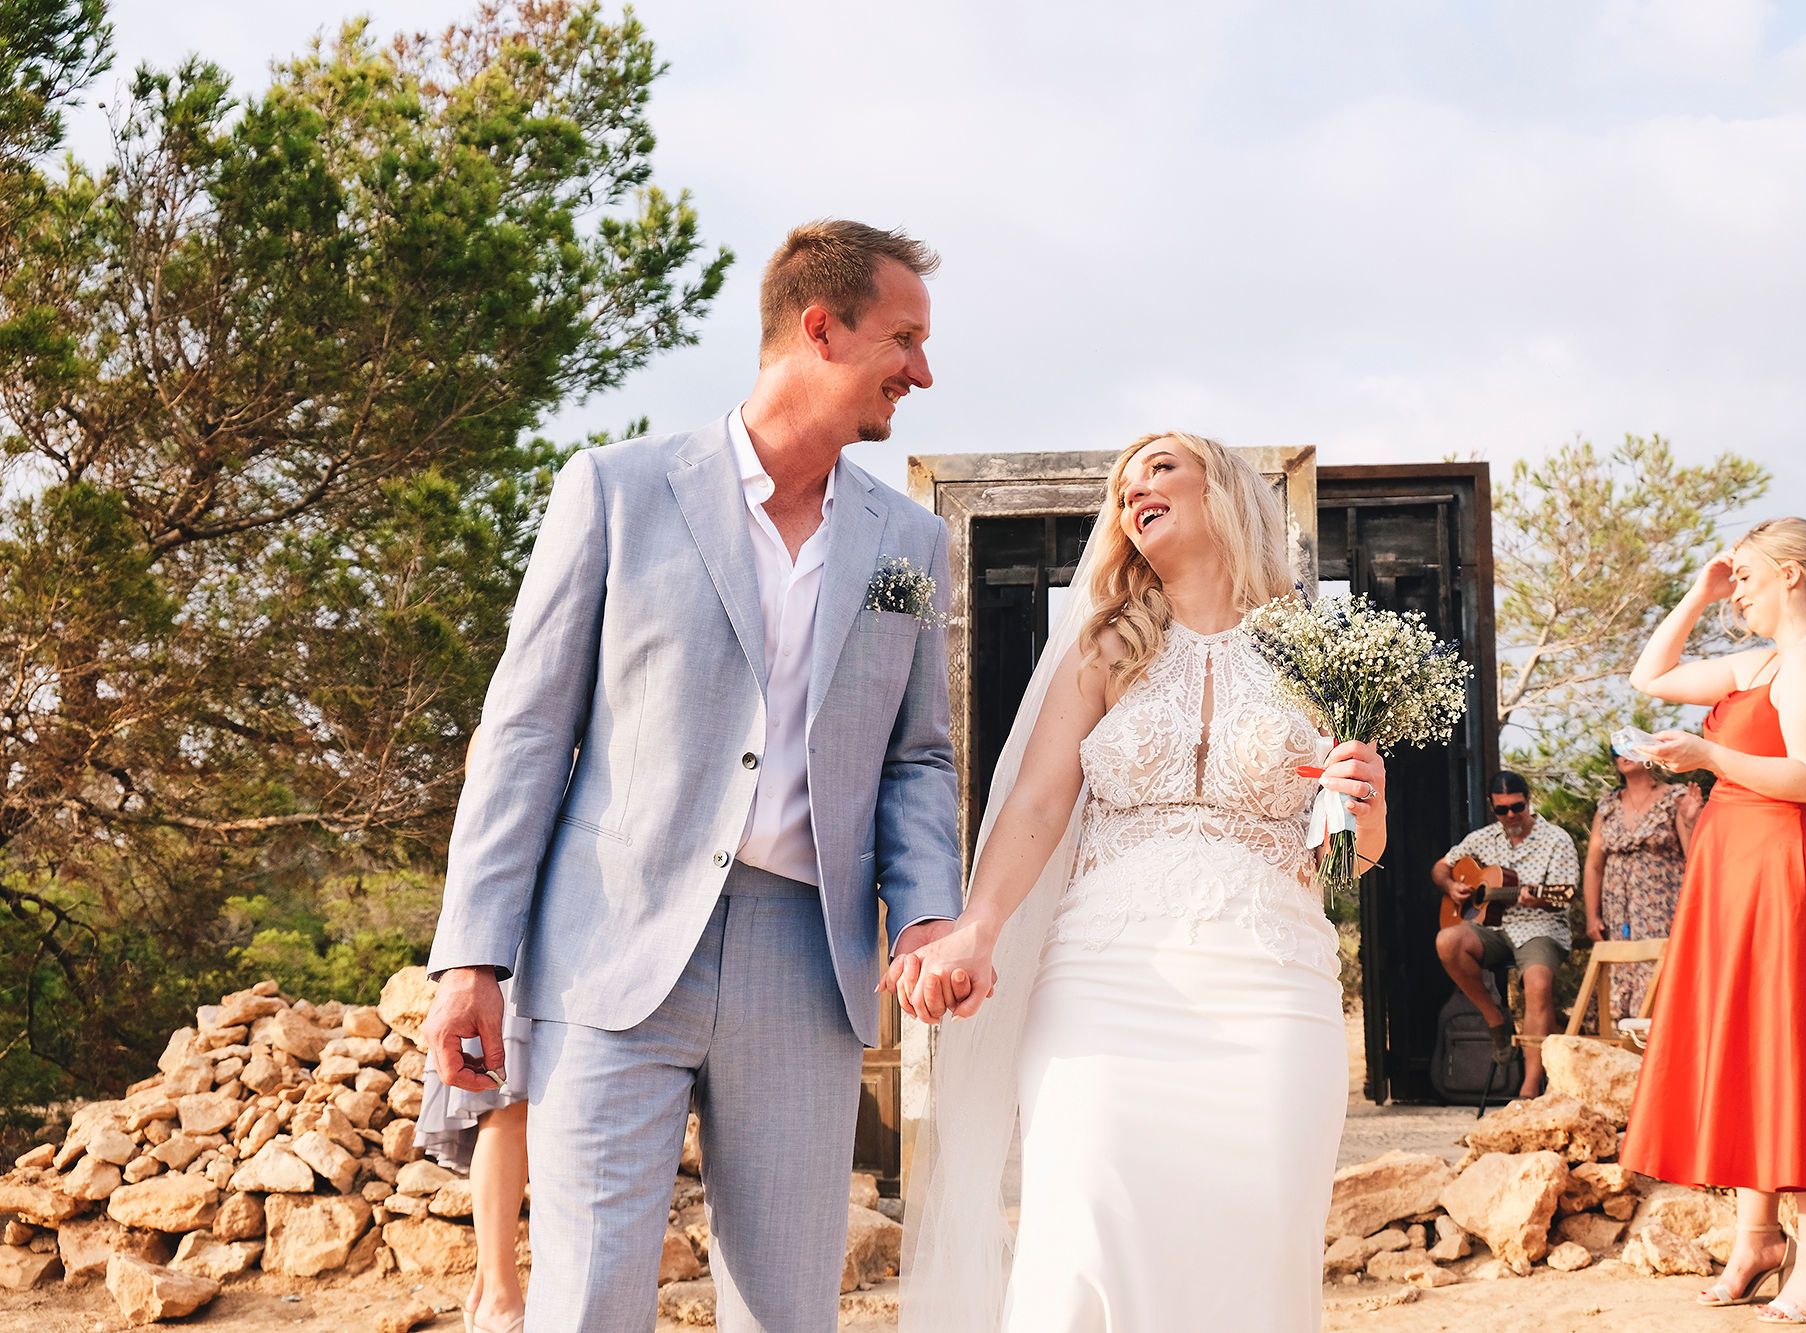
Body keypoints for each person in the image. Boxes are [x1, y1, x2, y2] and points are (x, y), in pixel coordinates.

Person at [421, 220, 965, 1332]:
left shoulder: (909, 545)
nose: (921, 371)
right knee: (587, 1303)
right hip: (607, 950)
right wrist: (471, 954)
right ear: (821, 329)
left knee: (787, 1312)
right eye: (903, 339)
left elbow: (916, 752)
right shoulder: (615, 491)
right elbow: (524, 732)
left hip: (804, 961)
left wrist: (924, 912)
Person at [891, 431, 1389, 1332]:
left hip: (1272, 988)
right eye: (1125, 485)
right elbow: (1038, 802)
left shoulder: (1318, 652)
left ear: (1222, 491)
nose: (1135, 490)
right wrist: (978, 926)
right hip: (1104, 983)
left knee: (1256, 1251)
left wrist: (1369, 804)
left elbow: (1346, 862)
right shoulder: (1105, 647)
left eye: (1161, 468)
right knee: (1084, 1235)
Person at [1620, 517, 1806, 1324]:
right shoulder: (1762, 661)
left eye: (1744, 576)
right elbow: (1649, 674)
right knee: (1750, 1046)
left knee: (1791, 1048)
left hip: (1787, 873)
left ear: (1792, 575)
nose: (1735, 590)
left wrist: (1710, 756)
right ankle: (1759, 1237)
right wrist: (1698, 590)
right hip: (1736, 876)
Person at [414, 727, 530, 1333]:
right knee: (507, 1110)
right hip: (514, 942)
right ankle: (501, 1294)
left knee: (533, 1115)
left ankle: (490, 1285)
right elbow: (488, 832)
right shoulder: (508, 726)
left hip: (580, 942)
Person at [1432, 772, 1580, 1098]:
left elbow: (1564, 894)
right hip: (1493, 929)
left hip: (1540, 927)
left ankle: (1529, 1087)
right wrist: (1451, 886)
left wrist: (1537, 898)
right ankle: (1495, 1018)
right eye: (1502, 810)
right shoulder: (1481, 839)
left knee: (1537, 985)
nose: (1511, 815)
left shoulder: (1556, 840)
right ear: (1492, 807)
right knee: (1447, 941)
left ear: (1529, 801)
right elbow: (1440, 867)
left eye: (1517, 807)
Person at [1582, 743, 1702, 1022]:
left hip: (1661, 906)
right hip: (1617, 910)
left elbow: (1694, 856)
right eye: (1617, 750)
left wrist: (1691, 820)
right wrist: (1592, 915)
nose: (1624, 755)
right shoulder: (1608, 806)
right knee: (1621, 974)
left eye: (1631, 747)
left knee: (1660, 974)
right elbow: (1594, 866)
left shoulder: (1673, 798)